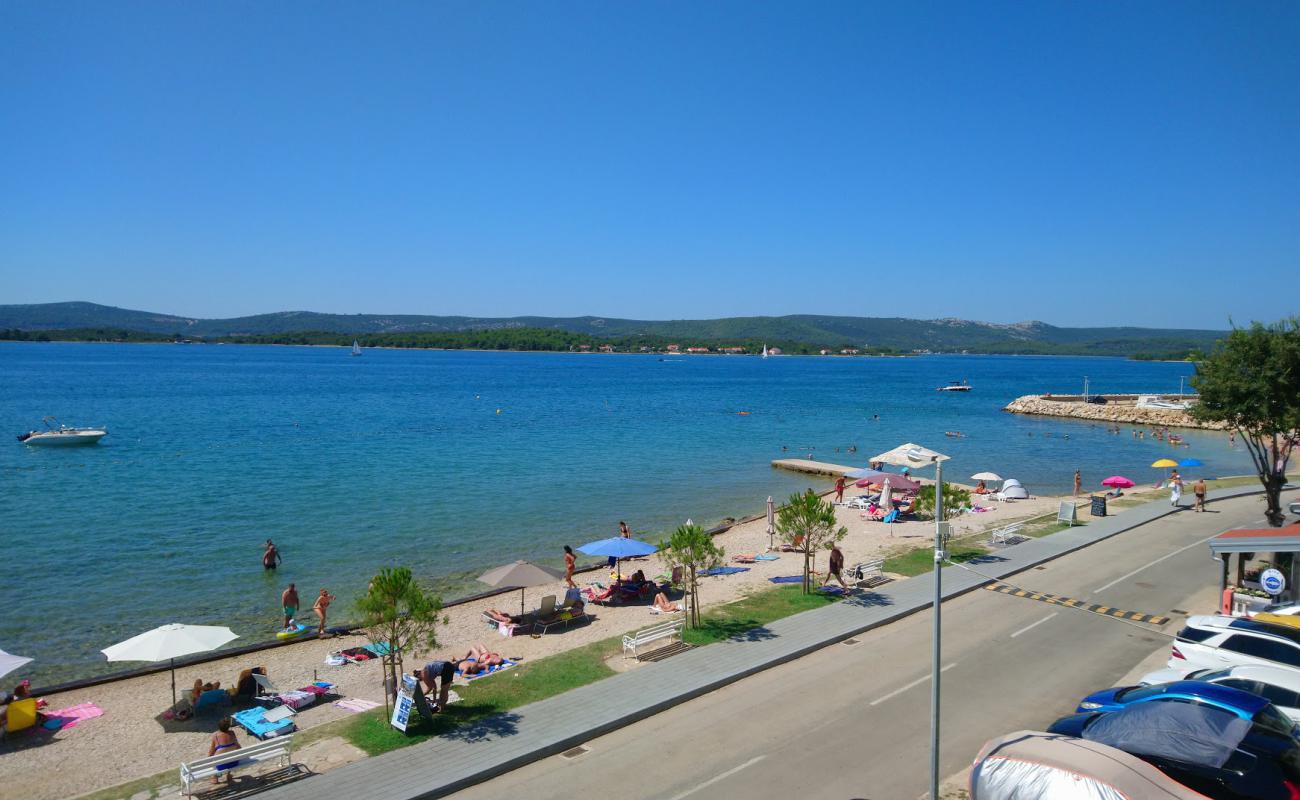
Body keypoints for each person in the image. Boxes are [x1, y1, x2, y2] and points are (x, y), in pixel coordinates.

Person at [208, 717, 242, 784]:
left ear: (219, 727)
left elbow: (210, 752)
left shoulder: (215, 736)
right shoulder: (232, 733)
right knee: (230, 754)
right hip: (234, 763)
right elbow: (238, 747)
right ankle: (229, 775)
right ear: (228, 727)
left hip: (221, 766)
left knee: (214, 758)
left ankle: (215, 777)